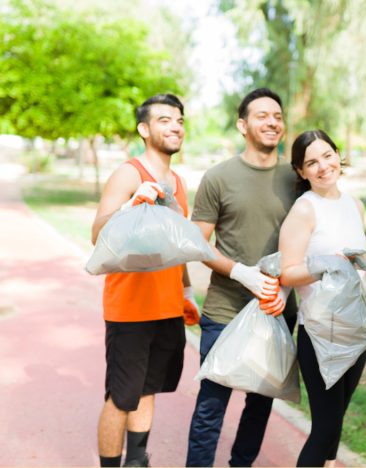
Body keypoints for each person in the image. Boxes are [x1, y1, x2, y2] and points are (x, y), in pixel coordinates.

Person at [186, 87, 299, 467]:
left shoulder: (297, 178)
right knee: (210, 406)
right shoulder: (218, 177)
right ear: (242, 124)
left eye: (278, 116)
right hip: (225, 310)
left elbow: (311, 239)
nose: (272, 122)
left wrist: (284, 286)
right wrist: (241, 273)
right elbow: (197, 243)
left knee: (260, 404)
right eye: (262, 115)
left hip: (277, 310)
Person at [91, 93, 199, 467]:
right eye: (165, 120)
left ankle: (137, 461)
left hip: (167, 307)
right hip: (129, 310)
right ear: (144, 129)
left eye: (180, 121)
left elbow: (178, 244)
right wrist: (128, 204)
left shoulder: (179, 182)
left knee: (148, 389)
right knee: (121, 396)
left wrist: (186, 292)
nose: (175, 127)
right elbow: (97, 233)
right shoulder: (129, 173)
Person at [275, 130, 366, 467]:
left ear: (338, 154)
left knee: (336, 423)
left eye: (327, 155)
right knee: (324, 429)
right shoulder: (305, 210)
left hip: (357, 329)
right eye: (312, 162)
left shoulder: (353, 204)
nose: (323, 166)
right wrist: (330, 264)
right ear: (301, 171)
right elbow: (288, 273)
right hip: (321, 334)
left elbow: (355, 262)